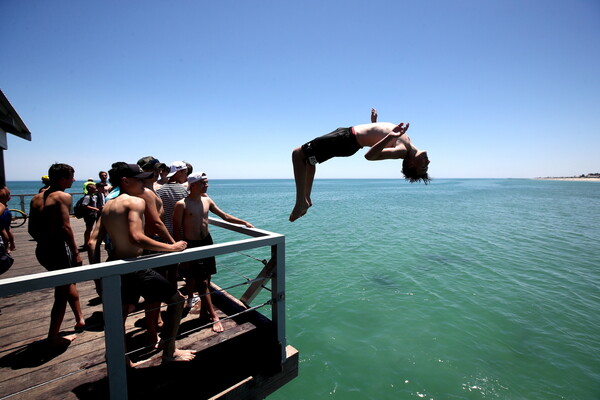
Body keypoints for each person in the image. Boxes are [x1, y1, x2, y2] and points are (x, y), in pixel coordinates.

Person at [88, 162, 195, 363]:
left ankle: (122, 361)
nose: (143, 183)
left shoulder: (108, 206)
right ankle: (169, 350)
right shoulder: (134, 202)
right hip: (135, 265)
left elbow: (92, 242)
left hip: (114, 264)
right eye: (140, 180)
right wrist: (172, 247)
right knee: (177, 300)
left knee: (119, 316)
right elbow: (137, 237)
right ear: (125, 181)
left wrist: (97, 277)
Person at [289, 108, 430, 221]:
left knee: (297, 154)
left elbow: (370, 156)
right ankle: (306, 198)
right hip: (347, 137)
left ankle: (300, 202)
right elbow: (378, 137)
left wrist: (390, 136)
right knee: (309, 160)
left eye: (424, 166)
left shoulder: (402, 151)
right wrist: (374, 123)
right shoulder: (408, 141)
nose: (427, 162)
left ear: (411, 164)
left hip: (347, 139)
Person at [173, 172, 254, 333]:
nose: (207, 185)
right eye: (203, 183)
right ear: (193, 185)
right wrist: (181, 252)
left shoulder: (206, 200)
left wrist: (243, 222)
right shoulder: (182, 204)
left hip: (207, 242)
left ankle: (204, 312)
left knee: (208, 279)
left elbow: (223, 215)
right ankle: (214, 316)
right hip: (192, 245)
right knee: (202, 282)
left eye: (207, 182)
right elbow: (176, 229)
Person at [29, 163, 86, 347]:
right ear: (63, 179)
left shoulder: (36, 198)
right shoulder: (63, 196)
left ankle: (79, 318)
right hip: (59, 249)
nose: (74, 180)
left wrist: (44, 240)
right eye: (72, 176)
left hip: (42, 249)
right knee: (61, 292)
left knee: (69, 283)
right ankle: (53, 336)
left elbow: (31, 229)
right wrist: (76, 252)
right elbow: (65, 226)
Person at [81, 182, 101, 249]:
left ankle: (88, 242)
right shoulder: (87, 196)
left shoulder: (94, 196)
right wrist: (94, 208)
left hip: (93, 214)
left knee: (90, 228)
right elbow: (84, 205)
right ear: (89, 189)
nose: (96, 190)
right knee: (89, 229)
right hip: (89, 215)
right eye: (94, 189)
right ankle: (86, 243)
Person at [0, 186, 16, 253]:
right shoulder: (5, 189)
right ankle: (12, 245)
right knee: (8, 229)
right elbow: (9, 198)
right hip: (6, 209)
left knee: (2, 229)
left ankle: (7, 247)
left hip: (1, 210)